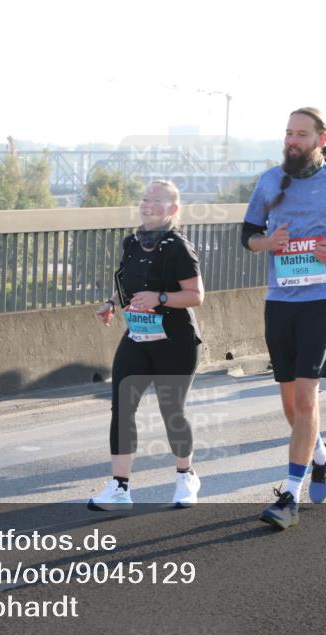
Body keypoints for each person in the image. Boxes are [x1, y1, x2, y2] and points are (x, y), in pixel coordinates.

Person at [240, 107, 326, 529]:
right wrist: (269, 242)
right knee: (290, 405)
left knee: (305, 398)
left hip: (322, 298)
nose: (292, 141)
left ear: (320, 139)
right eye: (288, 133)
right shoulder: (269, 180)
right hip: (280, 299)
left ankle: (289, 496)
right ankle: (323, 455)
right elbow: (246, 236)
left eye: (301, 134)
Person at [89, 180, 204, 510]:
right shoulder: (132, 242)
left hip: (176, 342)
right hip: (138, 337)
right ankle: (119, 488)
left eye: (157, 200)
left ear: (173, 209)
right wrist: (112, 304)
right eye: (144, 199)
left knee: (172, 411)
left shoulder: (178, 246)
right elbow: (127, 284)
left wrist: (161, 298)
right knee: (122, 407)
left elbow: (196, 296)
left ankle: (186, 476)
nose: (148, 204)